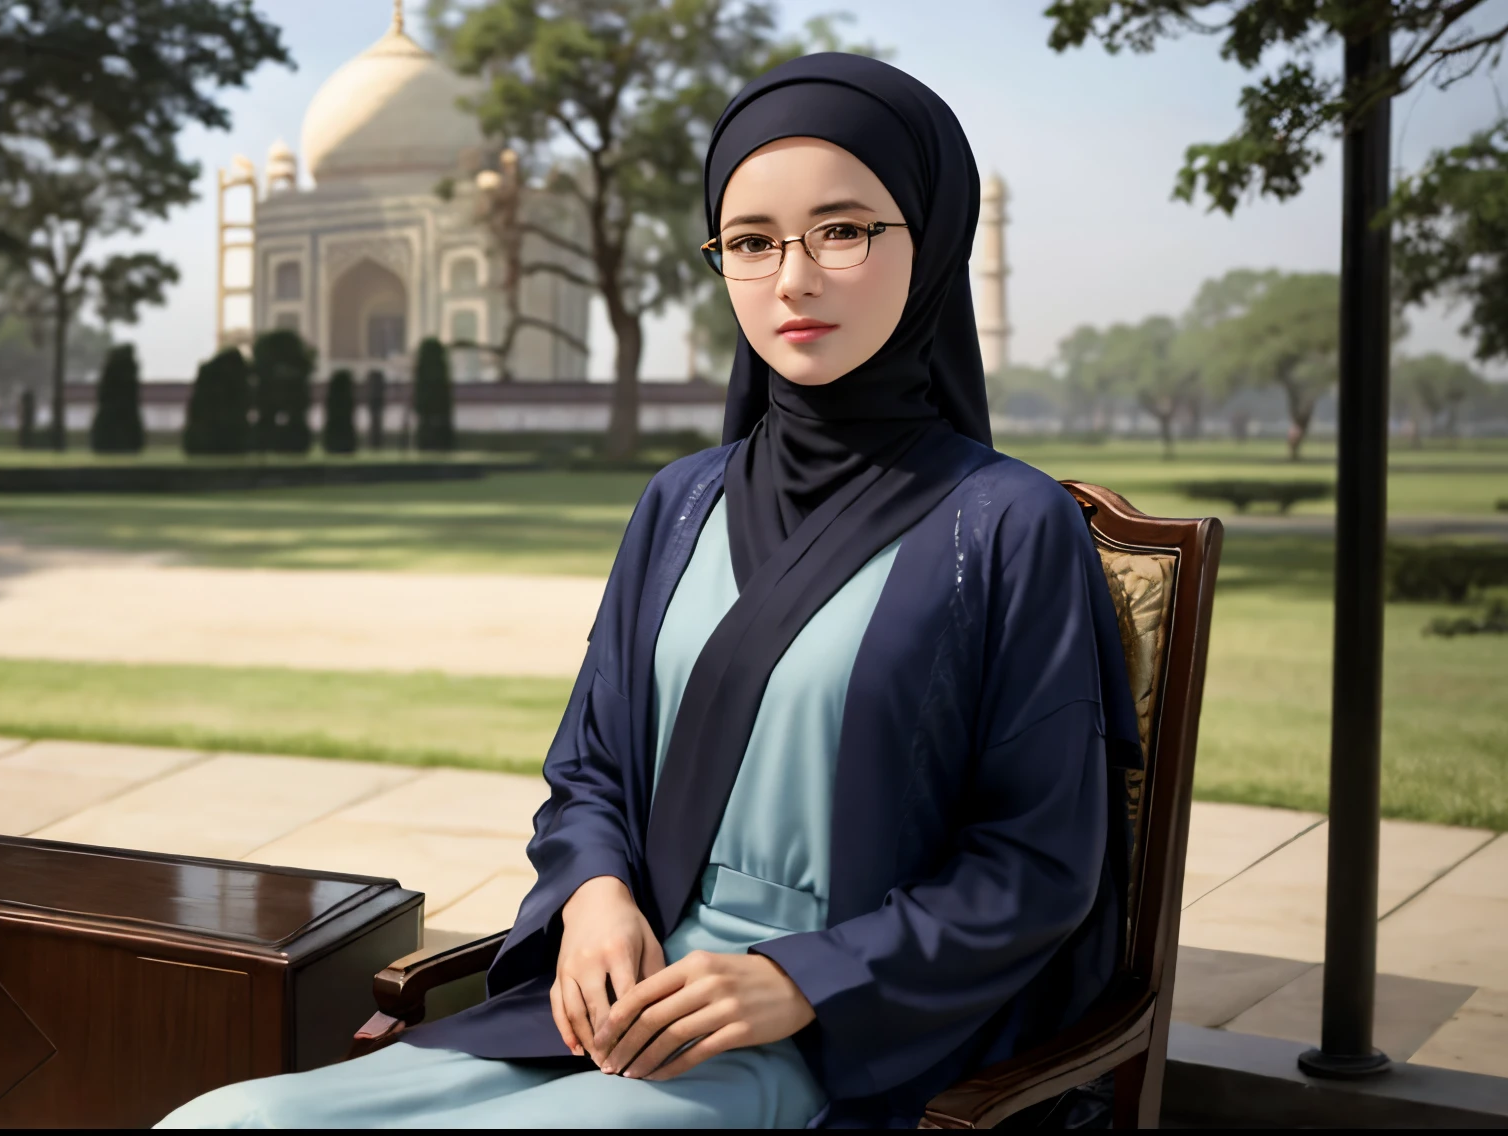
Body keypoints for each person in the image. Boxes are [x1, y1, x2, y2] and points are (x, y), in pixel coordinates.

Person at [159, 51, 1139, 1130]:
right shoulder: (682, 503)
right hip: (606, 999)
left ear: (935, 237)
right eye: (752, 241)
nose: (791, 279)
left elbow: (1036, 863)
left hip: (823, 1036)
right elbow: (588, 772)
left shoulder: (1001, 523)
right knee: (227, 1120)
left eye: (843, 229)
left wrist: (800, 977)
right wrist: (590, 898)